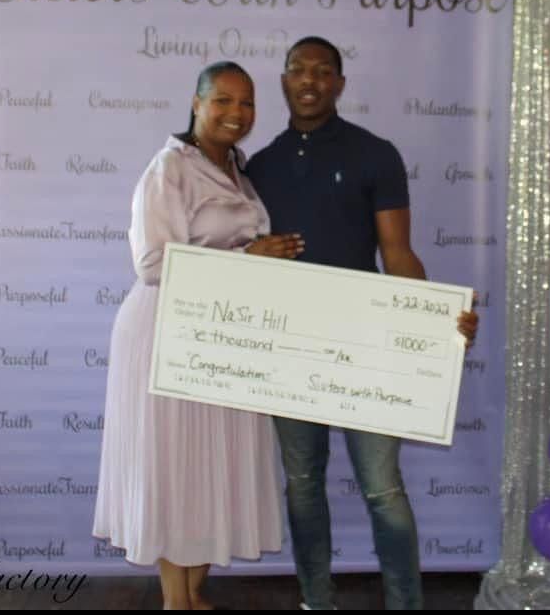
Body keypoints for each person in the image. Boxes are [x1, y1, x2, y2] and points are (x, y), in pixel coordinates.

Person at [247, 37, 479, 611]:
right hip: (290, 349)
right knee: (302, 486)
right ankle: (315, 601)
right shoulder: (259, 166)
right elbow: (238, 258)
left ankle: (405, 604)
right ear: (283, 81)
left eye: (323, 71)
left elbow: (398, 254)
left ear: (340, 85)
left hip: (366, 346)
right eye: (298, 70)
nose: (310, 80)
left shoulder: (376, 154)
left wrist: (432, 329)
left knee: (383, 489)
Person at [93, 61, 304, 611]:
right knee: (176, 465)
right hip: (167, 331)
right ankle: (174, 602)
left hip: (219, 334)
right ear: (196, 103)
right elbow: (153, 262)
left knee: (209, 466)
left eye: (247, 103)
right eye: (224, 101)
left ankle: (193, 594)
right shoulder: (170, 168)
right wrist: (248, 254)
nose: (237, 113)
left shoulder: (238, 170)